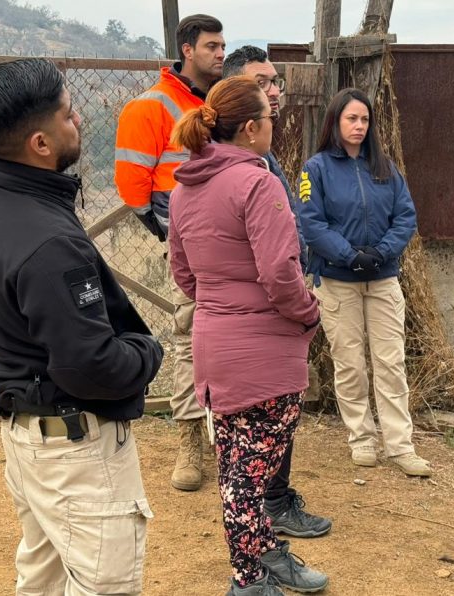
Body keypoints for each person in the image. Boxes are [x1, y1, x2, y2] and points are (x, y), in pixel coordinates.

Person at [0, 58, 163, 595]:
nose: (80, 120)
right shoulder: (48, 242)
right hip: (77, 451)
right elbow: (93, 367)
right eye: (69, 114)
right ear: (40, 144)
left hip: (27, 438)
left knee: (40, 578)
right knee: (103, 585)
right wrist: (148, 351)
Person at [169, 75, 328, 595]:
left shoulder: (184, 188)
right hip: (265, 350)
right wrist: (308, 314)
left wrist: (220, 296)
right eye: (270, 121)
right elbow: (282, 273)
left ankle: (265, 555)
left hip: (215, 345)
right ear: (255, 128)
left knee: (238, 461)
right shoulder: (259, 183)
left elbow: (184, 276)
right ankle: (249, 579)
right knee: (250, 472)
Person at [221, 46, 332, 539]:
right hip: (266, 314)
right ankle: (269, 518)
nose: (274, 92)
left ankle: (268, 511)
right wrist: (306, 312)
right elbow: (275, 267)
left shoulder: (225, 167)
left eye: (274, 83)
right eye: (261, 84)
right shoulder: (252, 172)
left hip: (245, 314)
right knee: (266, 428)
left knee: (244, 442)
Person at [114, 13, 224, 492]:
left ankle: (232, 437)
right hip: (191, 252)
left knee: (229, 342)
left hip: (234, 247)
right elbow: (133, 188)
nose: (220, 53)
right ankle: (189, 442)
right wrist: (171, 233)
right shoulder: (151, 107)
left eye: (223, 46)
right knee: (189, 343)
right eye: (212, 46)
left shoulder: (221, 104)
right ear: (187, 49)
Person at [297, 88, 429, 477]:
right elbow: (311, 223)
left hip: (383, 279)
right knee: (350, 363)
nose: (358, 126)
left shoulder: (385, 168)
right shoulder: (316, 169)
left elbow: (405, 216)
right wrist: (347, 255)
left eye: (364, 120)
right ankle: (361, 438)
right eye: (351, 119)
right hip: (338, 282)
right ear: (335, 122)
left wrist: (382, 252)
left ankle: (400, 445)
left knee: (391, 362)